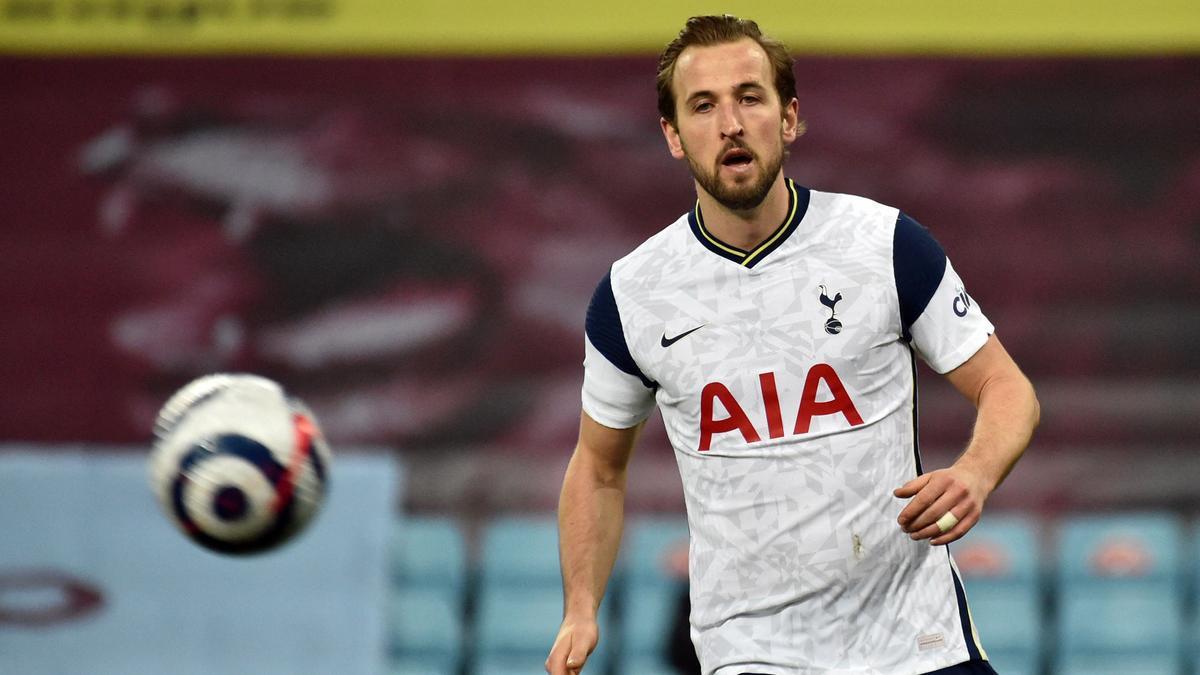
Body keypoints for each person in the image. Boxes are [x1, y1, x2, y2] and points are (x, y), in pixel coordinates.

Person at [545, 14, 1039, 675]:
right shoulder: (631, 297)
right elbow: (599, 468)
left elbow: (1008, 389)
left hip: (916, 645)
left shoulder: (885, 245)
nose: (730, 123)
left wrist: (975, 474)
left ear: (789, 118)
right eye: (703, 105)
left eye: (750, 97)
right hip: (754, 654)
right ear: (672, 134)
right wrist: (581, 605)